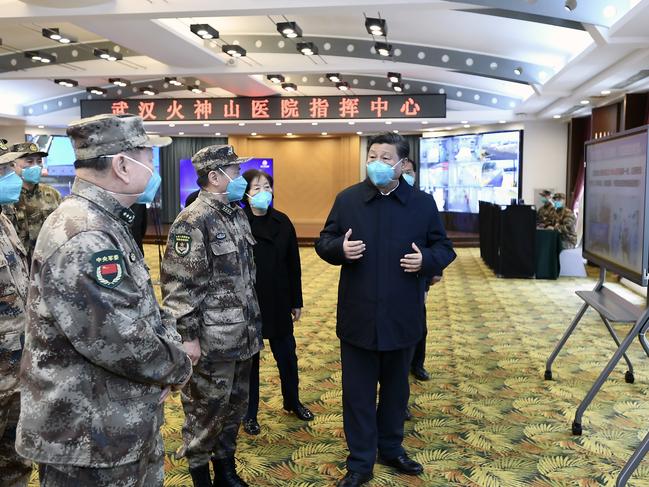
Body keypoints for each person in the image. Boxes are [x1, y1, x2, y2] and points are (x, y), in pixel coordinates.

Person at [15, 114, 193, 487]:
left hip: (112, 425)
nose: (152, 168)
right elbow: (121, 341)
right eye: (147, 157)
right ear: (123, 165)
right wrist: (178, 365)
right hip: (90, 438)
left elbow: (138, 308)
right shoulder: (86, 235)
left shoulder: (104, 221)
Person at [315, 132, 456, 487]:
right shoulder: (347, 200)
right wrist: (338, 251)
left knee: (396, 392)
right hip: (358, 314)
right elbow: (324, 241)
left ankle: (391, 448)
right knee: (358, 395)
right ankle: (360, 461)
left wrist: (427, 260)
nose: (376, 162)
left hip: (402, 314)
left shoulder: (422, 204)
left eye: (384, 156)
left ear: (402, 164)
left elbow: (445, 248)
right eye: (372, 155)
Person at [161, 145, 263, 487]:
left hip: (243, 336)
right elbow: (179, 287)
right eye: (234, 172)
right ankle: (201, 476)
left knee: (234, 410)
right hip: (211, 342)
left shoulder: (236, 213)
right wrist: (187, 337)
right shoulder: (192, 220)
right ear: (215, 177)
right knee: (205, 413)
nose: (240, 178)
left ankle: (226, 471)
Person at [240, 169, 313, 437]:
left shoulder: (283, 222)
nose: (263, 192)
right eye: (257, 187)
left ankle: (292, 401)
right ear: (246, 193)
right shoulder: (238, 222)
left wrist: (297, 300)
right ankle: (249, 414)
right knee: (250, 364)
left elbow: (294, 265)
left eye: (267, 187)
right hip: (249, 303)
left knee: (287, 357)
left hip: (279, 300)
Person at [0, 142, 32, 487]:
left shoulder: (4, 221)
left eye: (11, 169)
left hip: (16, 366)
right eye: (2, 171)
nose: (12, 177)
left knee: (16, 459)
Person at [1, 142, 61, 265]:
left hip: (47, 262)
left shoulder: (52, 194)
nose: (36, 166)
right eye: (29, 162)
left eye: (39, 161)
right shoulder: (6, 196)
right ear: (13, 165)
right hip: (18, 264)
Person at [401, 157, 431, 382]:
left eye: (409, 172)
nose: (406, 176)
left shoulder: (423, 202)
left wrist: (433, 267)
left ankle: (417, 364)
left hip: (418, 276)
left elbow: (436, 243)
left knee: (419, 324)